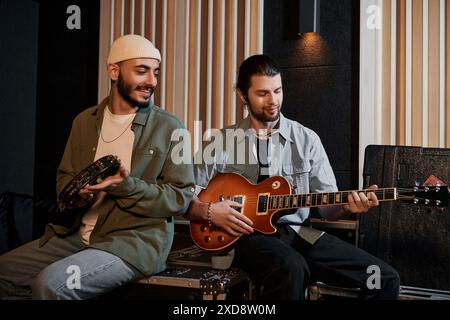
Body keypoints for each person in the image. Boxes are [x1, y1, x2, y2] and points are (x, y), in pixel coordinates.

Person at [185, 54, 400, 300]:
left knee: (384, 278)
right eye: (262, 93)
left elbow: (329, 209)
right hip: (248, 239)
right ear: (243, 95)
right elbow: (185, 194)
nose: (273, 100)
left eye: (277, 90)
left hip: (301, 234)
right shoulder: (220, 142)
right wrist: (211, 211)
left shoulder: (307, 139)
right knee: (292, 268)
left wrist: (348, 206)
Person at [0, 34, 195, 300]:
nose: (152, 81)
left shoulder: (172, 128)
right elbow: (64, 179)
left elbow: (181, 197)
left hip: (131, 244)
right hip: (76, 236)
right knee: (5, 272)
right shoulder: (84, 121)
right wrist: (78, 195)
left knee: (50, 285)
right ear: (114, 71)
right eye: (142, 71)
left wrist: (126, 187)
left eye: (155, 72)